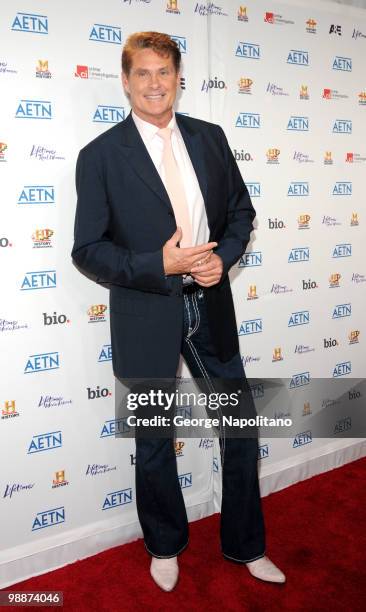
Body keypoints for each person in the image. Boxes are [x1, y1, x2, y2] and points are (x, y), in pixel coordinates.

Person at [71, 31, 285, 592]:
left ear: (178, 78)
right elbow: (87, 250)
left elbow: (241, 213)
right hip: (146, 313)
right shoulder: (99, 155)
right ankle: (164, 544)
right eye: (142, 73)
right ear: (125, 81)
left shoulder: (210, 139)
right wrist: (156, 265)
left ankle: (247, 545)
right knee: (153, 438)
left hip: (210, 306)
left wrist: (225, 259)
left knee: (240, 429)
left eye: (164, 72)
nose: (154, 84)